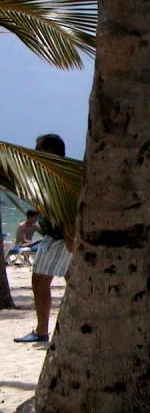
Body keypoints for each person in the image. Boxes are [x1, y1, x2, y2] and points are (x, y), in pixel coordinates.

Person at [15, 134, 74, 344]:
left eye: (38, 148)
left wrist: (68, 235)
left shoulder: (54, 175)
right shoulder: (54, 174)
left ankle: (41, 331)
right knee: (73, 283)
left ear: (48, 152)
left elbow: (66, 206)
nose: (35, 151)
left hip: (59, 237)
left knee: (39, 281)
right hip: (59, 236)